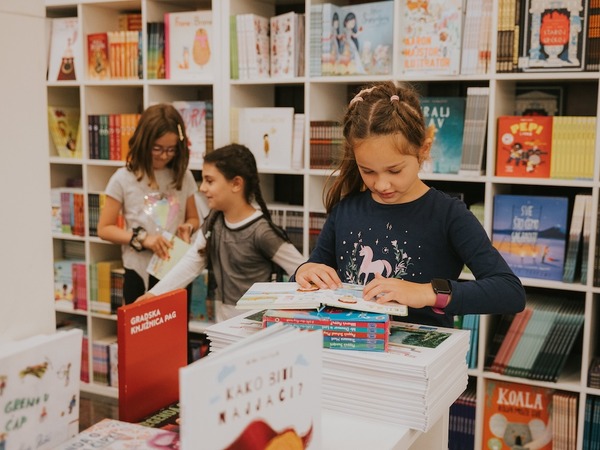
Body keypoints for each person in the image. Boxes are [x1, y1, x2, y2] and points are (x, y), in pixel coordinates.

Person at [294, 81, 526, 328]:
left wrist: (427, 293)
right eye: (368, 171)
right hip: (352, 349)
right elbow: (314, 269)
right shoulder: (346, 210)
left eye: (394, 170)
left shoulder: (448, 214)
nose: (382, 184)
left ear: (423, 151)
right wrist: (303, 272)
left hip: (418, 357)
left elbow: (509, 291)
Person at [137, 144, 306, 322]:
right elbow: (191, 262)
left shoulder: (262, 232)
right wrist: (153, 295)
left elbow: (302, 268)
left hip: (256, 332)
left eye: (209, 181)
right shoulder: (213, 222)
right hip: (223, 330)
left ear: (236, 184)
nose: (202, 188)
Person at [97, 103, 200, 304]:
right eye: (158, 148)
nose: (164, 155)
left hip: (174, 270)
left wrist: (188, 227)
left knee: (175, 333)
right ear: (144, 142)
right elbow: (104, 228)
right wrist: (143, 239)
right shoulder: (123, 178)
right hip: (138, 270)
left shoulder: (183, 176)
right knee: (141, 330)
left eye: (171, 150)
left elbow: (193, 218)